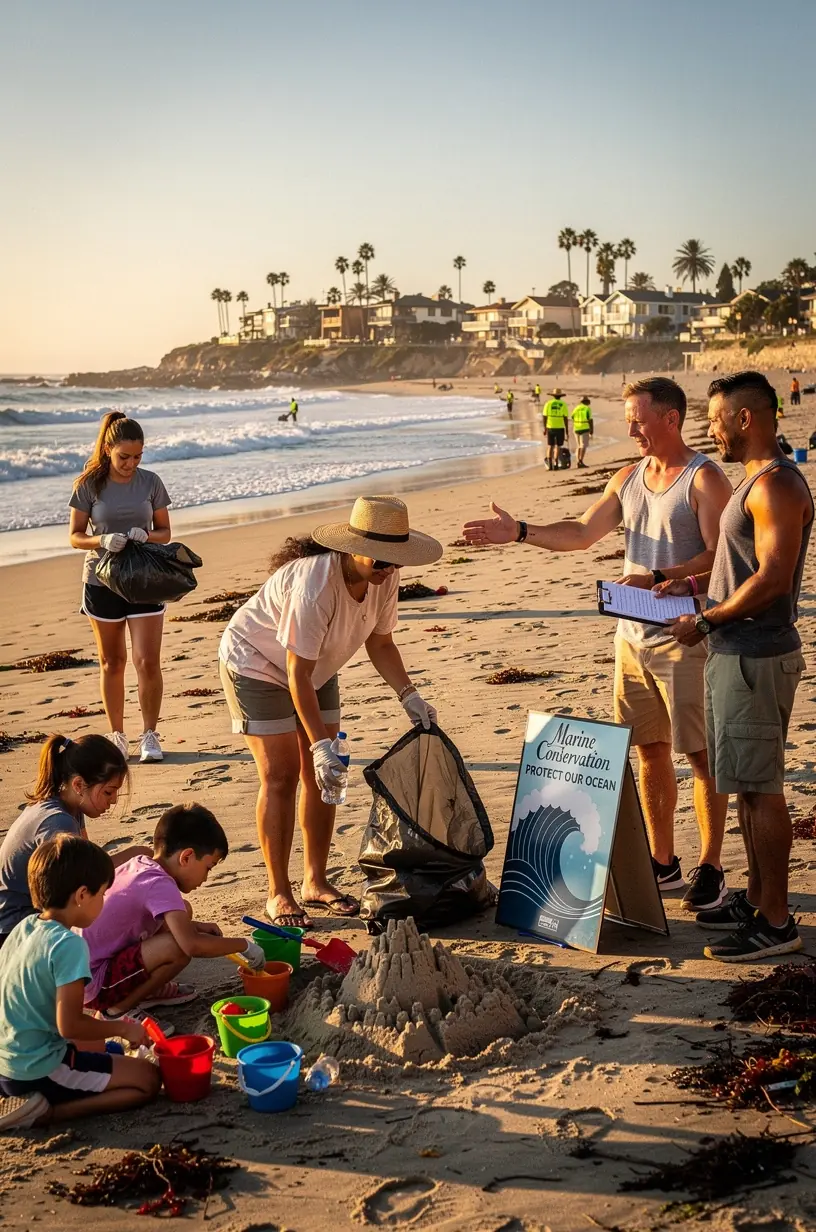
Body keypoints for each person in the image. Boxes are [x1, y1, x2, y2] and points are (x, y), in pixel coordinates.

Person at [463, 377, 734, 911]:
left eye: (638, 419)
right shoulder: (628, 477)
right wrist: (521, 532)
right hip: (631, 638)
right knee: (650, 749)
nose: (630, 429)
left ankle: (711, 867)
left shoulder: (704, 479)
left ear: (671, 418)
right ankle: (664, 863)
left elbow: (721, 555)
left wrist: (662, 574)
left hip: (685, 637)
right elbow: (582, 532)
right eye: (629, 420)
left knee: (701, 755)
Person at [218, 495, 442, 929]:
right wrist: (319, 744)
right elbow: (295, 674)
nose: (389, 568)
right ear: (353, 548)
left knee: (327, 775)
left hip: (315, 667)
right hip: (255, 662)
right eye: (380, 559)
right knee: (282, 774)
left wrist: (409, 695)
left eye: (396, 560)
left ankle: (315, 881)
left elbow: (381, 643)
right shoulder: (315, 586)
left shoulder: (384, 577)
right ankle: (279, 892)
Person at [662, 371, 813, 961]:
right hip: (736, 650)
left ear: (745, 418)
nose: (711, 430)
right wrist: (689, 588)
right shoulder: (755, 480)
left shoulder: (776, 485)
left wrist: (705, 621)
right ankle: (755, 900)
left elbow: (773, 577)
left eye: (716, 419)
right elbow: (742, 566)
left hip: (755, 653)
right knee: (746, 788)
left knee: (761, 789)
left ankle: (776, 922)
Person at [0, 835, 158, 1131]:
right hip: (38, 1069)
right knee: (147, 1079)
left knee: (105, 1048)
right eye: (103, 894)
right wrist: (124, 1028)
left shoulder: (24, 928)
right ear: (82, 895)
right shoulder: (69, 945)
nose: (103, 901)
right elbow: (70, 1026)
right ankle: (46, 1113)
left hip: (7, 1060)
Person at [79, 803, 265, 1022]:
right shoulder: (159, 884)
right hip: (94, 984)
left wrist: (195, 926)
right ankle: (118, 1010)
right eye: (208, 867)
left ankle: (146, 990)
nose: (205, 878)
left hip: (80, 970)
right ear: (186, 857)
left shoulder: (141, 864)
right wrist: (244, 945)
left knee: (183, 911)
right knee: (178, 950)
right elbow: (191, 945)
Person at [69, 412, 172, 764]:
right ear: (108, 450)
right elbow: (75, 536)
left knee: (147, 661)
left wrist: (147, 535)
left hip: (145, 580)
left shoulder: (151, 482)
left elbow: (165, 532)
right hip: (101, 581)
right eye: (124, 457)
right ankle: (118, 736)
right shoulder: (89, 485)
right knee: (112, 662)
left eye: (138, 456)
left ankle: (149, 735)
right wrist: (101, 539)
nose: (131, 464)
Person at [0, 734, 146, 945]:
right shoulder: (58, 822)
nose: (114, 800)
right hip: (15, 933)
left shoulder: (69, 807)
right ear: (78, 785)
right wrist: (134, 855)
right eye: (108, 792)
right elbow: (84, 884)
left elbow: (90, 865)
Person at [542, 388, 569, 470]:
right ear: (560, 396)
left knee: (550, 445)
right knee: (558, 446)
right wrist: (567, 430)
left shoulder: (548, 403)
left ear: (553, 395)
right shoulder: (563, 404)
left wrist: (544, 428)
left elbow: (544, 417)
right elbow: (565, 418)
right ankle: (556, 463)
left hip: (550, 427)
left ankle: (550, 464)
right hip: (560, 427)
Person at [571, 396, 593, 468]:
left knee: (578, 445)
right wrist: (591, 430)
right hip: (584, 427)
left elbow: (572, 417)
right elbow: (590, 419)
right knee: (583, 445)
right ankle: (580, 460)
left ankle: (578, 460)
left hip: (576, 428)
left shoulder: (576, 408)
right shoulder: (587, 408)